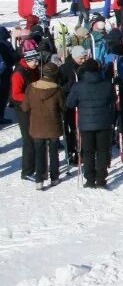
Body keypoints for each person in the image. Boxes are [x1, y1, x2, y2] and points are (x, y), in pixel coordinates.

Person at [66, 59, 115, 189]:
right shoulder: (107, 84)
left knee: (88, 152)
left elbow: (70, 104)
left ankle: (90, 179)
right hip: (104, 123)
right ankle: (101, 179)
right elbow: (113, 101)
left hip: (86, 124)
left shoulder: (78, 86)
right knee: (102, 151)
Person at [22, 63, 66, 189]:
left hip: (37, 125)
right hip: (53, 125)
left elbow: (25, 107)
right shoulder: (58, 89)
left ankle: (39, 180)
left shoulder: (32, 87)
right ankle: (54, 177)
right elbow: (64, 107)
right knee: (53, 152)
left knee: (39, 152)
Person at [11, 48, 41, 180]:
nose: (37, 63)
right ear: (27, 60)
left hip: (33, 107)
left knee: (36, 137)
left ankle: (36, 166)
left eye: (37, 60)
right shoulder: (19, 73)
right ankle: (27, 171)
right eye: (34, 61)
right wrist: (32, 97)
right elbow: (15, 95)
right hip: (23, 109)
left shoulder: (33, 69)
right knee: (29, 139)